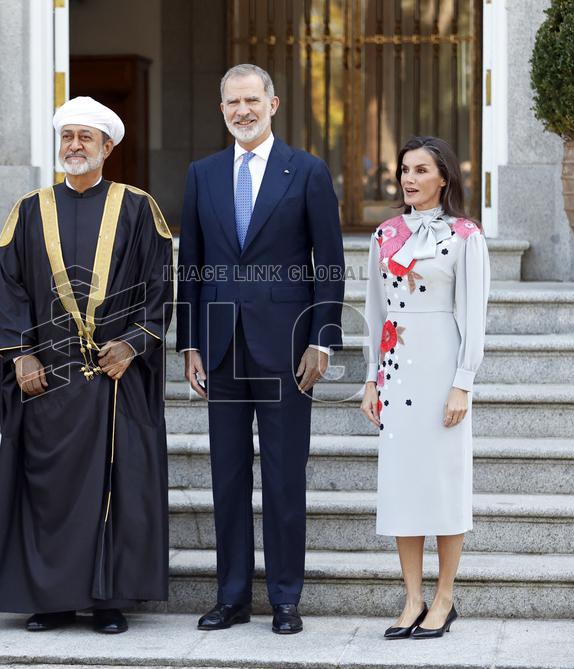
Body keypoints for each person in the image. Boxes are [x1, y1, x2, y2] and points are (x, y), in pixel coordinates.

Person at [0, 96, 174, 635]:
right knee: (51, 491)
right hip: (49, 377)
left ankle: (108, 601)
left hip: (116, 378)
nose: (75, 145)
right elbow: (10, 286)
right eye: (67, 136)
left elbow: (159, 285)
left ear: (107, 147)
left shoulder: (138, 208)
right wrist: (21, 353)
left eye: (86, 137)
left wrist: (133, 344)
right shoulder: (28, 209)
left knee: (115, 485)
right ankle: (51, 600)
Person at [176, 64, 345, 635]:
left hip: (288, 348)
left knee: (283, 476)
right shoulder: (202, 174)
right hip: (221, 347)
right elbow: (191, 265)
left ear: (273, 104)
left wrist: (322, 339)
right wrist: (191, 342)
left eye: (252, 100)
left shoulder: (308, 171)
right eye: (232, 102)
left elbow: (330, 263)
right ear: (221, 108)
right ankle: (231, 597)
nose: (242, 111)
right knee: (226, 478)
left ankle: (285, 598)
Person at [359, 136, 489, 639]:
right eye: (404, 170)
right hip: (396, 372)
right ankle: (413, 598)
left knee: (444, 484)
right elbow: (375, 312)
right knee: (402, 485)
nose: (409, 179)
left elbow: (473, 315)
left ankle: (444, 597)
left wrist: (463, 383)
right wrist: (371, 379)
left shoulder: (465, 235)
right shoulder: (384, 234)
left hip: (441, 370)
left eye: (420, 170)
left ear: (444, 178)